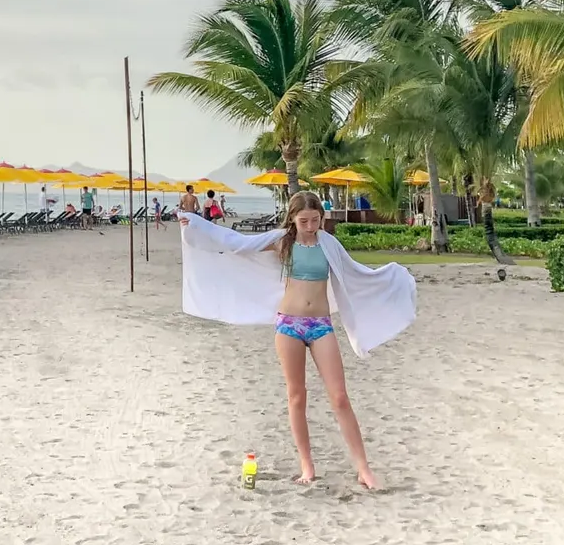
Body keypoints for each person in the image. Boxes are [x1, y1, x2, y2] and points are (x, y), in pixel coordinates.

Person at [176, 190, 417, 492]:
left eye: (315, 220)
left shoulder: (329, 244)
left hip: (320, 325)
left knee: (340, 397)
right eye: (304, 220)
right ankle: (307, 465)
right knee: (297, 396)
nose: (310, 225)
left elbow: (357, 273)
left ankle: (364, 468)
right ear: (292, 218)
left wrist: (393, 277)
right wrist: (196, 226)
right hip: (288, 324)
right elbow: (235, 244)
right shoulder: (282, 241)